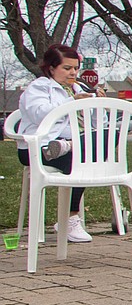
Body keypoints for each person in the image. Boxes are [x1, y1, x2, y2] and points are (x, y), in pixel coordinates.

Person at [17, 44, 97, 243]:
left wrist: (96, 105)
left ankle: (69, 146)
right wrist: (72, 102)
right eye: (66, 68)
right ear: (52, 68)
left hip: (72, 145)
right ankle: (69, 218)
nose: (73, 73)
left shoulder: (79, 88)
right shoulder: (39, 87)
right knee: (81, 158)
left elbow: (97, 124)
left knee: (103, 139)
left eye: (75, 68)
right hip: (37, 147)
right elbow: (39, 114)